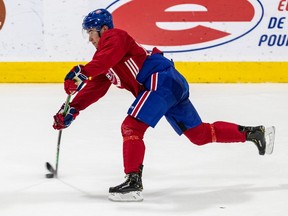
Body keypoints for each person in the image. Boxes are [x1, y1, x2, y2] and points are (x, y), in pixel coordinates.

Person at [53, 8, 275, 202]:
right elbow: (96, 86)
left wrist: (81, 72)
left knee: (131, 127)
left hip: (160, 81)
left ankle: (133, 182)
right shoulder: (104, 58)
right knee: (199, 135)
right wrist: (72, 109)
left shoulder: (115, 37)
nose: (90, 38)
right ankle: (255, 133)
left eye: (91, 32)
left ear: (102, 29)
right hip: (169, 84)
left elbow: (102, 62)